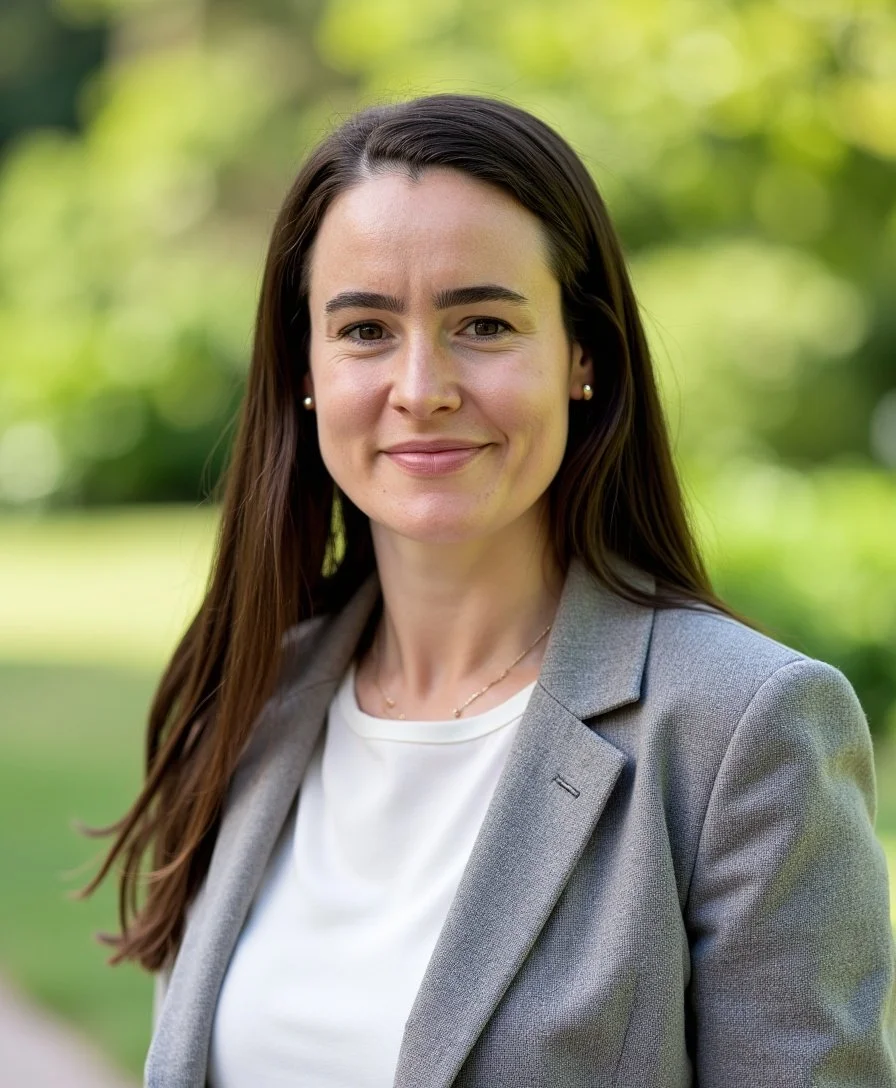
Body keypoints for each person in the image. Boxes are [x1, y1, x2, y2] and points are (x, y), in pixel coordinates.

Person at [86, 94, 896, 1087]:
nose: (421, 387)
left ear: (581, 356)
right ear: (306, 367)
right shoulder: (253, 695)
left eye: (482, 323)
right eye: (365, 329)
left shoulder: (741, 728)